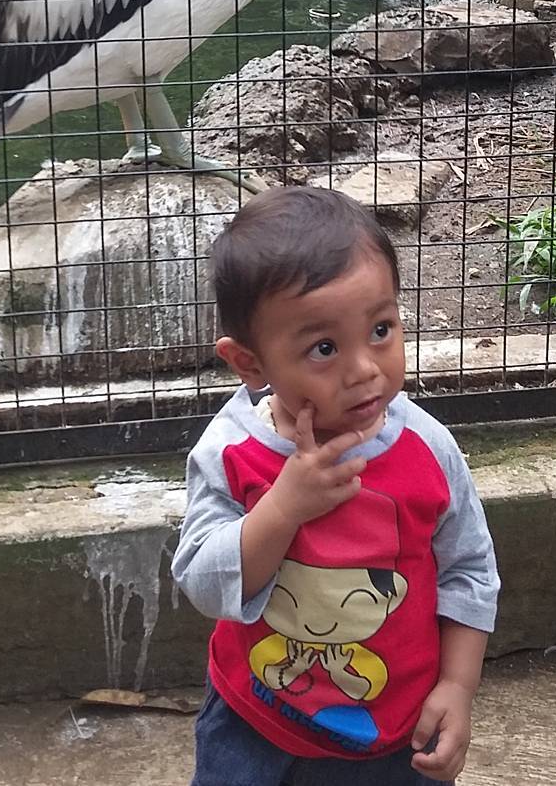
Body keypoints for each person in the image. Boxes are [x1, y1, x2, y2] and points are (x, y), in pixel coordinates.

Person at [172, 186, 499, 784]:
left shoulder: (426, 449)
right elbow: (201, 579)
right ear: (250, 364)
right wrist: (284, 506)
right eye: (324, 348)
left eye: (381, 329)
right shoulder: (233, 451)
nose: (364, 369)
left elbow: (468, 569)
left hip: (396, 734)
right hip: (256, 723)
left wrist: (458, 685)